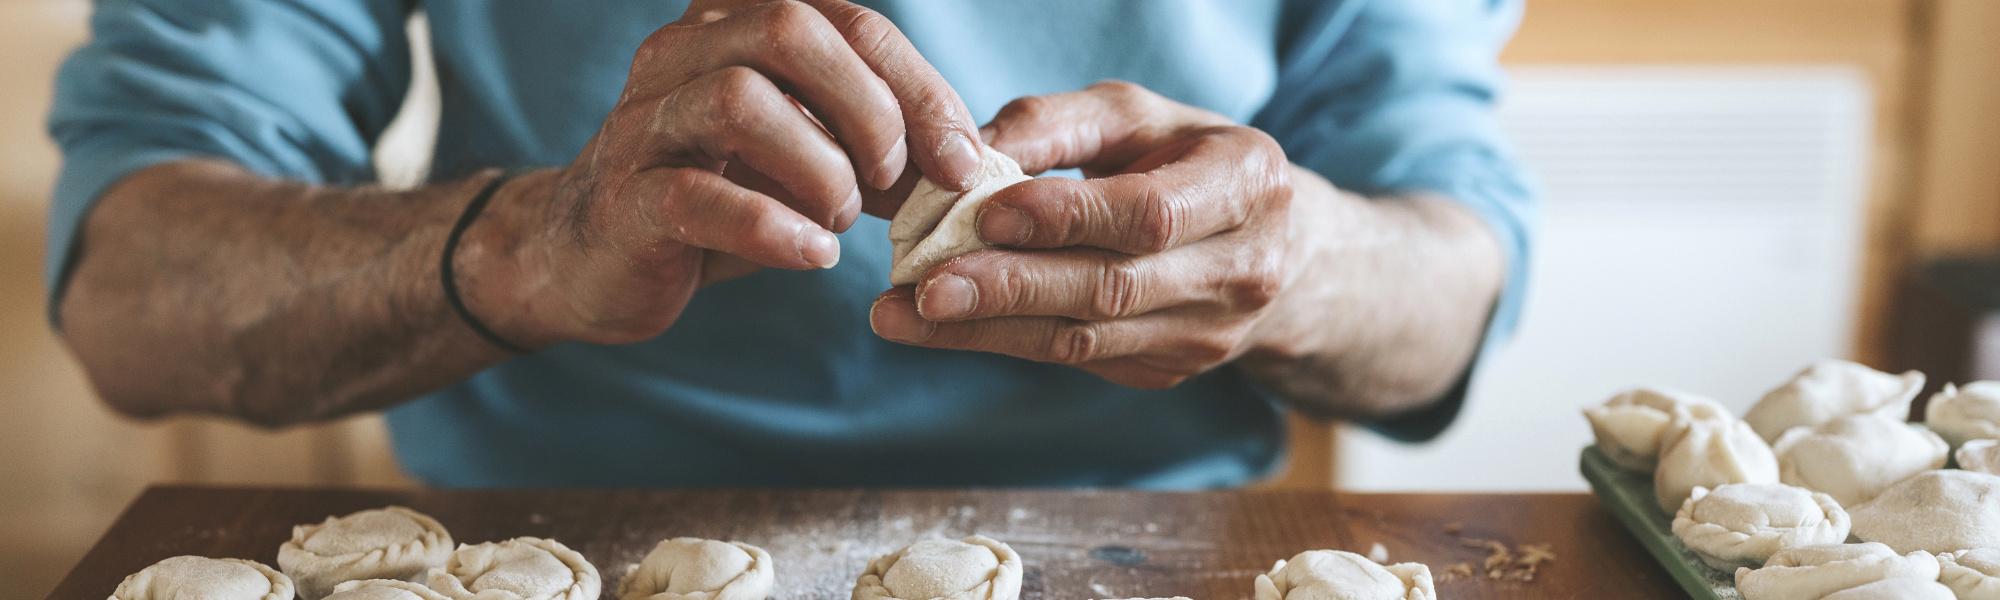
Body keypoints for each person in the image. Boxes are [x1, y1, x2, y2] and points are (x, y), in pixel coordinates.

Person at [46, 0, 1532, 488]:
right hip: (539, 548)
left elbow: (1451, 278)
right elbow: (131, 289)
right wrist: (524, 247)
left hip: (1149, 547)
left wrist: (1298, 258)